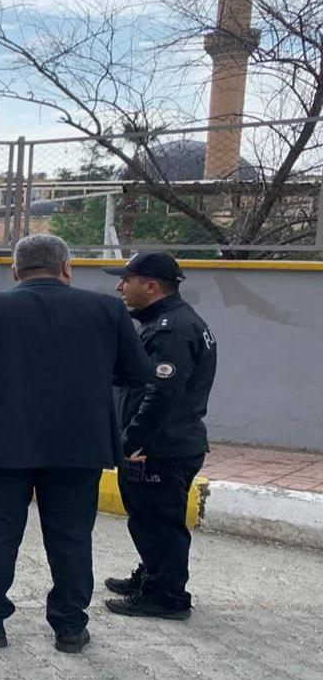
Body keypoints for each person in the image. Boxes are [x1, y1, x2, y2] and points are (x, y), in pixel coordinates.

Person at [0, 234, 152, 655]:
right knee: (72, 536)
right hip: (79, 445)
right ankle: (70, 628)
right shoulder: (106, 309)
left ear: (16, 271)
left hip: (3, 443)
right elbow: (137, 372)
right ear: (67, 268)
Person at [102, 252, 217, 620]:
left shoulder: (171, 329)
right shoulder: (168, 322)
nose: (120, 286)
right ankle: (153, 575)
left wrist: (130, 441)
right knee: (148, 518)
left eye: (127, 279)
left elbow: (162, 394)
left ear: (151, 286)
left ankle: (167, 594)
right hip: (165, 442)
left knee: (160, 521)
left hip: (160, 447)